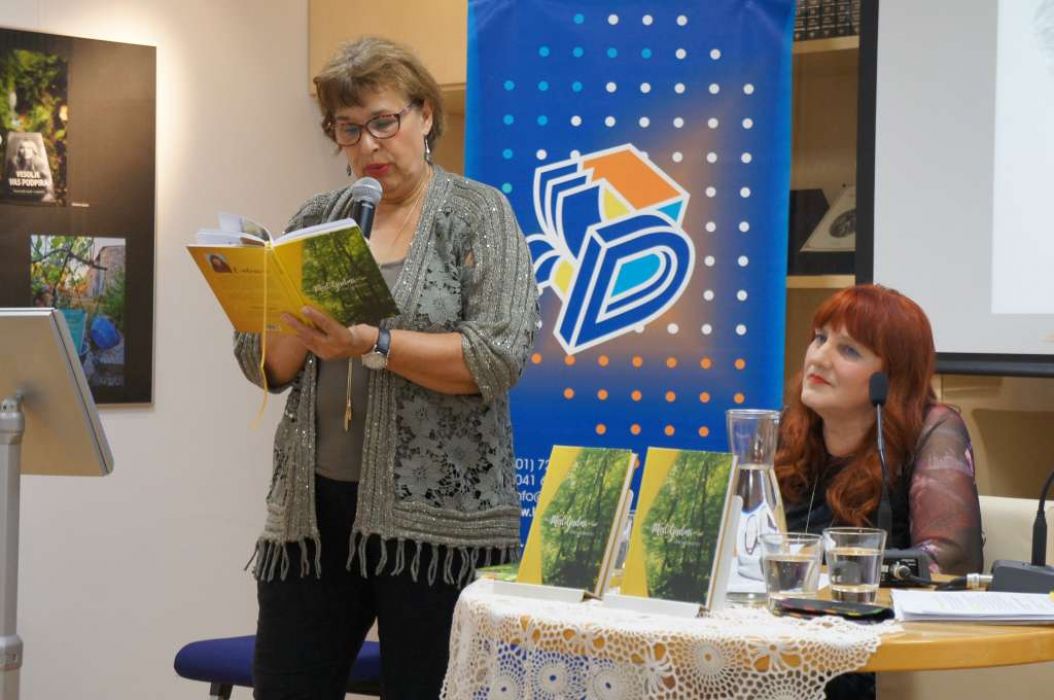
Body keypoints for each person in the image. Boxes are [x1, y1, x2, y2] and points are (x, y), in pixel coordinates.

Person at [232, 36, 539, 699]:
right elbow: (267, 367)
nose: (368, 144)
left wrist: (371, 344)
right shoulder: (317, 218)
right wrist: (280, 313)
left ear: (424, 115)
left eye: (383, 122)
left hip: (437, 525)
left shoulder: (478, 214)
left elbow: (497, 355)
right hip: (311, 516)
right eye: (348, 129)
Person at [776, 284, 983, 576]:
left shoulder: (932, 429)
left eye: (848, 350)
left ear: (891, 379)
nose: (819, 358)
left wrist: (837, 572)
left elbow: (950, 560)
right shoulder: (785, 428)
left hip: (880, 604)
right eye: (820, 338)